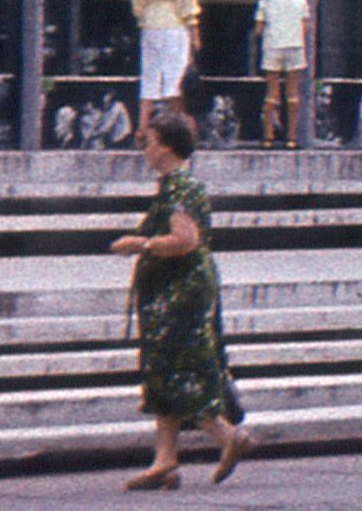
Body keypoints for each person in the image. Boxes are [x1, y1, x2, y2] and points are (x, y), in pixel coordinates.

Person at [109, 104, 255, 490]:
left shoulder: (181, 187)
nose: (147, 151)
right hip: (173, 291)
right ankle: (165, 459)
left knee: (179, 369)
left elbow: (185, 240)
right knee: (163, 368)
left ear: (170, 147)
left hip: (180, 293)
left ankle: (227, 436)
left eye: (152, 143)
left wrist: (138, 244)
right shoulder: (176, 185)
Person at [254, 0, 308, 147]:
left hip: (273, 46)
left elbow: (259, 30)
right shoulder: (300, 1)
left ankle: (268, 137)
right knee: (292, 93)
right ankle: (291, 138)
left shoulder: (265, 1)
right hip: (295, 46)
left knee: (271, 93)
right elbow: (305, 26)